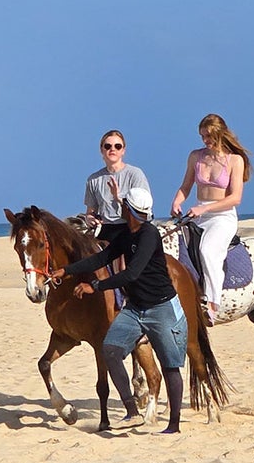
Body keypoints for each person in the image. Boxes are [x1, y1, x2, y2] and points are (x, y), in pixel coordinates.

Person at [51, 186, 186, 435]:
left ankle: (173, 426)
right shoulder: (126, 234)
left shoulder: (149, 235)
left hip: (161, 307)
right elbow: (100, 259)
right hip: (135, 309)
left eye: (124, 205)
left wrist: (95, 286)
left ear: (129, 210)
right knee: (110, 351)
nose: (121, 207)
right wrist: (66, 270)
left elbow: (131, 274)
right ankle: (132, 412)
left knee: (169, 366)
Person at [171, 113, 252, 320]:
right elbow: (186, 186)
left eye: (208, 136)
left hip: (222, 216)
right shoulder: (195, 156)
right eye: (202, 136)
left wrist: (205, 209)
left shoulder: (235, 160)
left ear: (220, 133)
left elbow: (235, 198)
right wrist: (177, 201)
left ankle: (212, 304)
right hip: (198, 212)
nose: (205, 140)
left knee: (207, 250)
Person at [84, 130, 150, 246]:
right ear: (102, 150)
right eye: (108, 146)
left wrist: (118, 197)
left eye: (117, 146)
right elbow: (90, 211)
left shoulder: (135, 174)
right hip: (105, 230)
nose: (112, 149)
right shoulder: (93, 179)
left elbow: (143, 211)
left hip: (131, 229)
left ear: (123, 151)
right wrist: (89, 219)